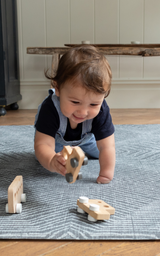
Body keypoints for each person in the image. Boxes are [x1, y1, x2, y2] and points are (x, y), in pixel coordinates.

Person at [34, 45, 115, 184]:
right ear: (57, 89)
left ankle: (82, 150)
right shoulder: (50, 108)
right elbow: (43, 144)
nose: (83, 112)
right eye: (75, 102)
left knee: (101, 152)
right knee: (45, 158)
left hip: (88, 140)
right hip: (58, 143)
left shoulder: (101, 110)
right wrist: (51, 160)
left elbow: (107, 146)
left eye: (93, 104)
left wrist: (106, 174)